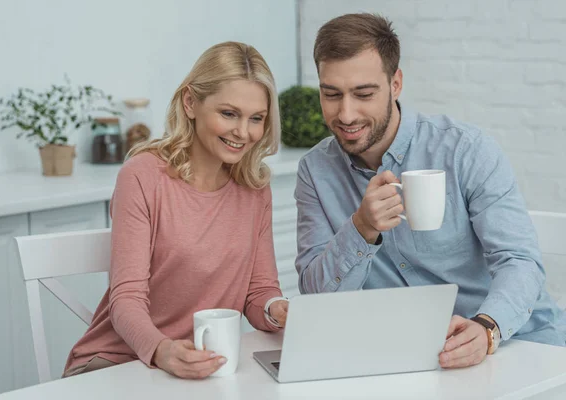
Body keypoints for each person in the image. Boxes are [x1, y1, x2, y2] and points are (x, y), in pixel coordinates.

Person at [294, 13, 566, 369]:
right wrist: (361, 228)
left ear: (396, 84)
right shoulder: (316, 171)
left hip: (517, 344)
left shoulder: (465, 150)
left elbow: (519, 261)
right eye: (331, 95)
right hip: (415, 359)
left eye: (363, 94)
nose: (346, 114)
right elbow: (317, 300)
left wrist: (487, 329)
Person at [63, 41, 289, 379]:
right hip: (114, 364)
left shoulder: (255, 188)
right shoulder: (143, 176)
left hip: (200, 370)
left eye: (256, 118)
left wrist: (276, 310)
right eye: (229, 113)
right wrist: (162, 349)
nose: (243, 132)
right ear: (190, 102)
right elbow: (125, 299)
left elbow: (259, 292)